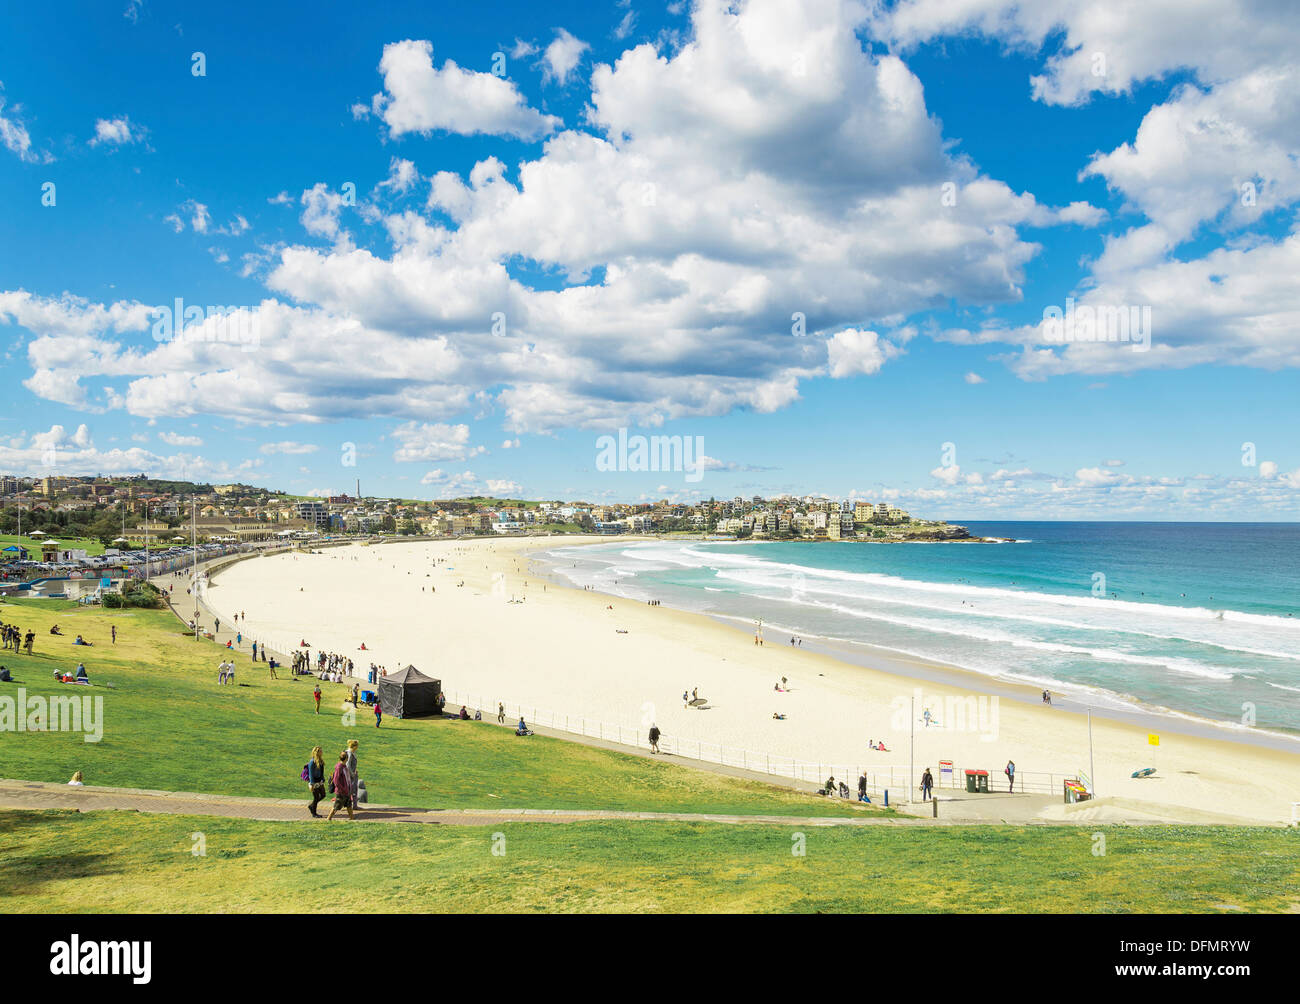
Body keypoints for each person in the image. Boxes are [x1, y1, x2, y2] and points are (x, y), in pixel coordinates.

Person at [325, 752, 353, 821]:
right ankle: (328, 818)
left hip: (347, 791)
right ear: (346, 758)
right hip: (341, 792)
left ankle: (352, 818)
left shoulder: (344, 766)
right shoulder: (339, 767)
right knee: (336, 806)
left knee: (349, 805)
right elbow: (336, 780)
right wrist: (342, 789)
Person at [306, 747, 327, 817]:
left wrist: (323, 779)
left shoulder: (320, 761)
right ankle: (314, 813)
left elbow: (321, 772)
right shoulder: (312, 762)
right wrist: (312, 784)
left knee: (323, 795)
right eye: (320, 751)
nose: (322, 752)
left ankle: (311, 806)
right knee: (316, 797)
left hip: (319, 781)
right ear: (316, 753)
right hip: (314, 781)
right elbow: (311, 774)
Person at [346, 739, 360, 812]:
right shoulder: (350, 753)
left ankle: (354, 805)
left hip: (353, 774)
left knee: (354, 789)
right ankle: (352, 805)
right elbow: (347, 765)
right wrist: (352, 774)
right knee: (352, 790)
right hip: (350, 776)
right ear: (354, 746)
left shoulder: (353, 753)